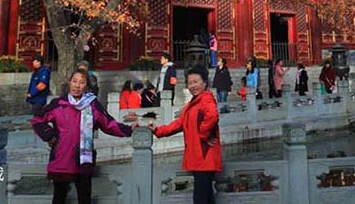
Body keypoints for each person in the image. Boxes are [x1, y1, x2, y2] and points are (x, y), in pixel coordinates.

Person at [31, 69, 133, 204]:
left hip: (83, 160)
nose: (77, 86)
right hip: (62, 158)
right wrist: (50, 136)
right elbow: (38, 119)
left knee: (84, 198)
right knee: (59, 198)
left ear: (86, 86)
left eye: (81, 82)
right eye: (74, 81)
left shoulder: (92, 105)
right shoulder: (58, 104)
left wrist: (130, 130)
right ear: (69, 83)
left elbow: (109, 124)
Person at [151, 65, 221, 204]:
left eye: (196, 81)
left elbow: (212, 116)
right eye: (190, 83)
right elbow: (179, 124)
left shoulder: (206, 99)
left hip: (204, 156)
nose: (192, 85)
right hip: (199, 157)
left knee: (200, 198)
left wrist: (203, 134)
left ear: (204, 82)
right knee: (206, 197)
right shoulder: (193, 104)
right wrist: (158, 130)